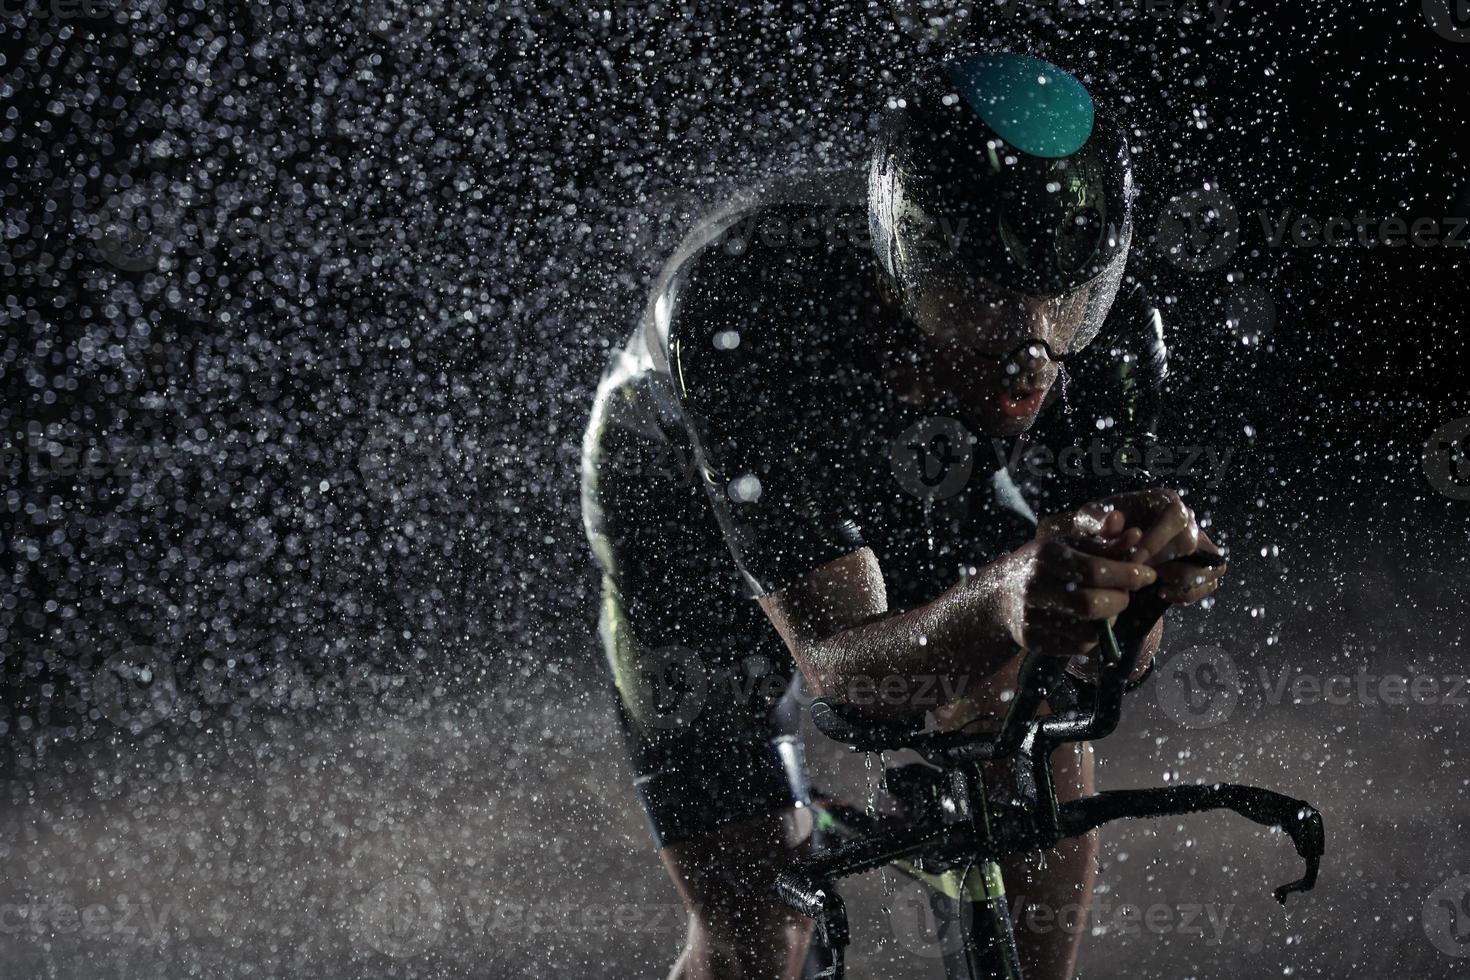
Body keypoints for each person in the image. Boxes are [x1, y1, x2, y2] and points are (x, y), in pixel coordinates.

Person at [581, 50, 1226, 980]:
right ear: (906, 260)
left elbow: (1095, 653)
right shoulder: (751, 302)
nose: (1030, 356)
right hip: (676, 513)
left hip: (904, 460)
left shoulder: (1118, 335)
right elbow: (842, 665)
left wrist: (1130, 597)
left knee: (1027, 712)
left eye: (1068, 301)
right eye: (986, 298)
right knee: (758, 937)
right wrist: (1007, 606)